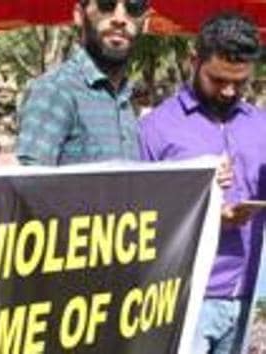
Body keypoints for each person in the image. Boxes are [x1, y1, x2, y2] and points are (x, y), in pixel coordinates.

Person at [138, 13, 266, 354]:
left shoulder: (260, 125)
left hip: (245, 293)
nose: (229, 90)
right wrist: (205, 213)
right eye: (218, 79)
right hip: (184, 297)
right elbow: (139, 216)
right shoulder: (157, 128)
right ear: (193, 61)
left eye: (240, 82)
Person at [17, 0, 149, 166]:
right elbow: (29, 186)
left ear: (146, 23)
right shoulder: (55, 90)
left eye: (134, 7)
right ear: (79, 14)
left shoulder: (125, 96)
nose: (119, 18)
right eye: (106, 4)